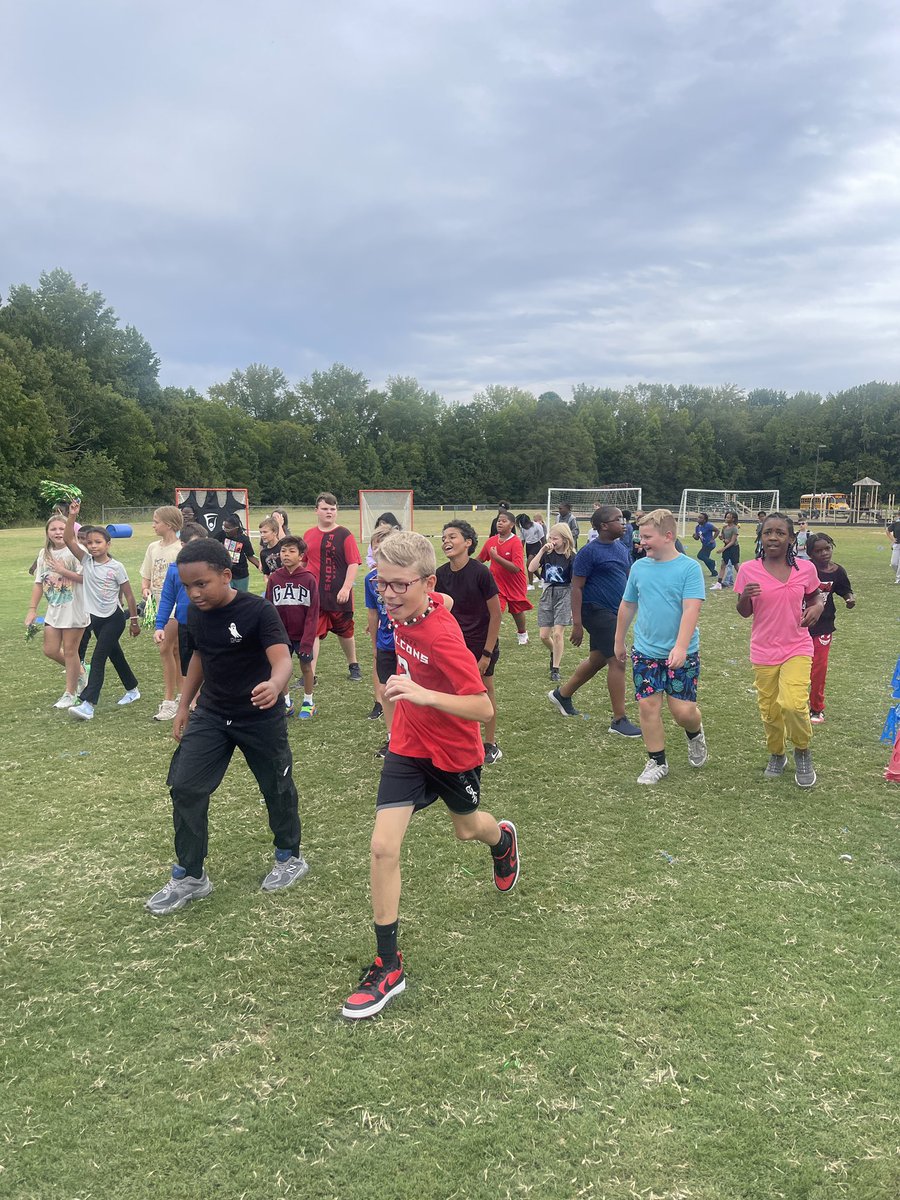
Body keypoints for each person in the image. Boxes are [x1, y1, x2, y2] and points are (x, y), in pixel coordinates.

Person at [341, 531, 519, 1021]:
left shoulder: (443, 635)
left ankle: (501, 840)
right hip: (407, 747)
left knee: (468, 829)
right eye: (382, 583)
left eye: (400, 585)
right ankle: (389, 964)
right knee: (382, 846)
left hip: (455, 752)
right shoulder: (408, 607)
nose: (389, 594)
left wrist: (423, 694)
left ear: (425, 582)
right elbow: (429, 595)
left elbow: (483, 707)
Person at [145, 538, 308, 915]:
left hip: (258, 715)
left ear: (226, 575)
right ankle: (190, 875)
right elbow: (201, 654)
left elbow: (281, 657)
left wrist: (276, 683)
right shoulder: (195, 613)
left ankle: (289, 856)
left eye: (201, 584)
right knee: (185, 786)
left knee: (276, 786)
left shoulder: (259, 611)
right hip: (213, 714)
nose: (194, 592)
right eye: (187, 586)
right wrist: (185, 704)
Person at [615, 510, 708, 785]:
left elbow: (692, 608)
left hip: (682, 654)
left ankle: (695, 733)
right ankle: (657, 761)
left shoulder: (689, 568)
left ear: (668, 536)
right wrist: (619, 639)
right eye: (640, 536)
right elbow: (628, 604)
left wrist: (680, 647)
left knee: (683, 713)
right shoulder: (639, 568)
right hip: (645, 652)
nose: (641, 542)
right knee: (647, 707)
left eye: (647, 537)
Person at [734, 513, 824, 787]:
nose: (773, 537)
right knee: (770, 711)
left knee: (793, 704)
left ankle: (802, 750)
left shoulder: (805, 570)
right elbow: (743, 612)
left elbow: (814, 595)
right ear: (761, 537)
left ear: (791, 538)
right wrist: (746, 597)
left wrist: (817, 607)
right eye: (767, 533)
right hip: (763, 650)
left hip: (797, 646)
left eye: (780, 533)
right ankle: (777, 753)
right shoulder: (749, 569)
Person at [547, 506, 641, 736]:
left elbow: (627, 579)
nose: (623, 523)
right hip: (595, 611)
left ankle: (562, 694)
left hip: (614, 611)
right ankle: (619, 720)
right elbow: (577, 587)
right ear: (603, 526)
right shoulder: (589, 552)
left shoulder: (621, 548)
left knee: (598, 659)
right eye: (617, 519)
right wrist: (577, 623)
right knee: (618, 660)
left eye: (622, 518)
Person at [62, 500, 141, 720]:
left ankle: (88, 704)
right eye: (90, 543)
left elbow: (129, 595)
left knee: (98, 658)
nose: (93, 546)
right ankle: (132, 689)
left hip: (114, 619)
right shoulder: (86, 562)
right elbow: (69, 539)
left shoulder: (116, 567)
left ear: (108, 543)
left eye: (98, 542)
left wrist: (133, 621)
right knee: (115, 655)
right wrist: (72, 515)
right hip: (95, 619)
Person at [436, 520, 503, 764]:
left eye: (452, 537)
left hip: (480, 643)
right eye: (444, 538)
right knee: (452, 691)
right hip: (454, 643)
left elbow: (496, 614)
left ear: (468, 543)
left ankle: (490, 743)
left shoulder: (481, 573)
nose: (446, 541)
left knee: (484, 690)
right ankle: (457, 740)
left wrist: (486, 653)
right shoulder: (440, 574)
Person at [25, 515, 90, 707]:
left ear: (70, 530)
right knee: (50, 650)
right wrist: (32, 610)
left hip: (75, 608)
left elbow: (86, 578)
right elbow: (38, 583)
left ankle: (70, 693)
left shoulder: (78, 551)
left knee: (71, 651)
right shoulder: (43, 554)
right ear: (47, 532)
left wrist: (63, 571)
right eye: (53, 529)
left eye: (62, 528)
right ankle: (80, 672)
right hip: (54, 608)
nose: (58, 532)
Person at [303, 492, 364, 682]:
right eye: (325, 509)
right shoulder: (309, 534)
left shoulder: (344, 534)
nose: (329, 512)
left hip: (339, 594)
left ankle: (353, 665)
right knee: (312, 632)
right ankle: (310, 674)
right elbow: (304, 563)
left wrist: (346, 588)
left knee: (345, 631)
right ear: (316, 511)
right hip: (316, 594)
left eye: (333, 509)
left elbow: (353, 563)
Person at [154, 522, 210, 704]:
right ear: (183, 545)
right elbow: (167, 599)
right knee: (189, 667)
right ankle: (194, 703)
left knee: (212, 662)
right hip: (186, 624)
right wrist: (159, 626)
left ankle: (209, 700)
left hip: (212, 621)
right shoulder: (174, 570)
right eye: (194, 544)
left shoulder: (213, 568)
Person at [265, 535, 319, 719]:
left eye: (291, 551)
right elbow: (268, 607)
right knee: (282, 668)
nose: (286, 554)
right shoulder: (274, 578)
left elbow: (313, 613)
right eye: (283, 551)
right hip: (281, 635)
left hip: (302, 635)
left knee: (306, 667)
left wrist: (307, 640)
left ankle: (308, 701)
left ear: (301, 555)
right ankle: (286, 701)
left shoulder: (309, 579)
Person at [141, 506, 185, 721]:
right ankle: (183, 696)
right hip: (159, 605)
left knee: (165, 648)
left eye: (156, 521)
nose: (153, 525)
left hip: (176, 608)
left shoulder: (180, 549)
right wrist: (145, 588)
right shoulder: (152, 548)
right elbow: (146, 575)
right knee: (175, 650)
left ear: (169, 524)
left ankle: (169, 701)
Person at [806, 533, 855, 724]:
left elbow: (845, 589)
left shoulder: (837, 571)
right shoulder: (805, 570)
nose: (824, 553)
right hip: (800, 625)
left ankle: (817, 708)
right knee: (797, 667)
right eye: (818, 551)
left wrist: (849, 598)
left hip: (823, 626)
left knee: (819, 669)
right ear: (810, 554)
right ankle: (796, 703)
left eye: (827, 548)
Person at [365, 524, 400, 752]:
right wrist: (375, 645)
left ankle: (415, 735)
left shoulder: (407, 575)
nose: (378, 556)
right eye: (375, 550)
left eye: (383, 550)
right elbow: (373, 613)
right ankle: (393, 738)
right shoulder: (371, 579)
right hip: (386, 642)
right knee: (387, 691)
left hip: (408, 641)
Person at [478, 510, 533, 645]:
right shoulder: (491, 541)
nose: (500, 523)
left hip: (515, 583)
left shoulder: (516, 543)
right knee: (495, 611)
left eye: (504, 521)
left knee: (517, 610)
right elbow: (480, 559)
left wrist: (496, 558)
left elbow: (515, 568)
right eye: (498, 521)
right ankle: (489, 638)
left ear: (512, 525)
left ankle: (522, 633)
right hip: (496, 583)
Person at [528, 522, 575, 683]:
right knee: (543, 635)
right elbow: (531, 568)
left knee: (557, 633)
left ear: (565, 539)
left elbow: (575, 583)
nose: (552, 541)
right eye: (550, 537)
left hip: (565, 593)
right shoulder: (547, 554)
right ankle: (554, 652)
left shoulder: (572, 557)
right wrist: (541, 550)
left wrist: (573, 608)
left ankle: (555, 668)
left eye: (555, 538)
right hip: (548, 592)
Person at [216, 515, 261, 592]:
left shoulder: (244, 539)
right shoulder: (221, 535)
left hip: (241, 575)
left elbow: (250, 556)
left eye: (228, 528)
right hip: (226, 572)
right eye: (224, 527)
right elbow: (213, 544)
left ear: (236, 528)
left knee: (241, 598)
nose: (226, 530)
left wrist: (260, 566)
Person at [712, 511, 740, 590]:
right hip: (726, 547)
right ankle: (718, 583)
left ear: (733, 519)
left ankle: (745, 581)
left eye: (728, 517)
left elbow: (732, 541)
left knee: (736, 565)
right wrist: (722, 538)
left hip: (734, 548)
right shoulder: (724, 528)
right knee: (723, 565)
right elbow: (724, 538)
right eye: (726, 517)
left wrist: (723, 549)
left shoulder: (735, 528)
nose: (726, 519)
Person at [519, 513, 546, 589]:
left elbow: (543, 539)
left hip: (536, 545)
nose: (524, 527)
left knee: (528, 564)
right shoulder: (522, 528)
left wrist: (544, 550)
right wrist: (521, 551)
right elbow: (523, 540)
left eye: (525, 525)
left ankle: (531, 584)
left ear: (529, 522)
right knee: (532, 566)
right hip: (528, 546)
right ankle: (541, 579)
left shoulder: (537, 526)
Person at [692, 512, 719, 579]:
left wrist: (713, 539)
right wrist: (694, 536)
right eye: (698, 517)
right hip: (704, 544)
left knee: (700, 556)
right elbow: (697, 538)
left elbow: (717, 530)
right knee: (705, 558)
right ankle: (714, 572)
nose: (698, 519)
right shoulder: (697, 527)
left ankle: (713, 562)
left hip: (710, 544)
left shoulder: (708, 525)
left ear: (704, 520)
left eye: (701, 518)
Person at [887, 515, 900, 584]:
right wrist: (892, 539)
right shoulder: (896, 524)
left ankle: (898, 579)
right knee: (893, 563)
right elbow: (888, 531)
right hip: (897, 545)